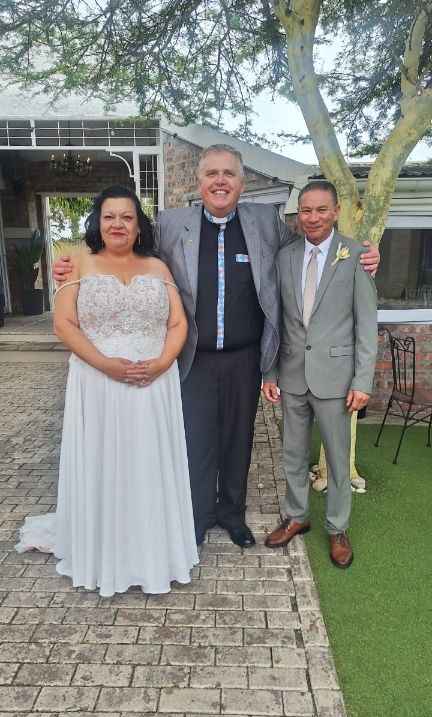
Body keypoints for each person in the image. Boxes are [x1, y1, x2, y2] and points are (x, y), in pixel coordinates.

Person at [53, 145, 380, 549]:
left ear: (241, 183)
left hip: (245, 358)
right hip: (194, 356)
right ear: (199, 181)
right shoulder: (172, 224)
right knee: (197, 441)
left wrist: (365, 253)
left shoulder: (266, 222)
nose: (220, 181)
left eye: (229, 174)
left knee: (238, 441)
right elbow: (125, 250)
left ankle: (232, 515)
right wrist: (76, 261)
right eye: (212, 174)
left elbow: (314, 246)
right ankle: (198, 515)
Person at [16, 185, 198, 596]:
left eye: (127, 217)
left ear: (139, 226)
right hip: (97, 383)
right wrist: (105, 364)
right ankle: (104, 552)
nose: (118, 224)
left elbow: (178, 324)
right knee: (104, 461)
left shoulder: (159, 267)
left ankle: (153, 549)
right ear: (98, 223)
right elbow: (64, 324)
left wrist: (163, 362)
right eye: (110, 216)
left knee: (148, 463)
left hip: (154, 384)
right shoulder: (79, 263)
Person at [263, 180, 378, 568]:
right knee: (293, 454)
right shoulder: (285, 257)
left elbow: (366, 325)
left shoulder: (357, 255)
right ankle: (297, 516)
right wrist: (271, 371)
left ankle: (337, 527)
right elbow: (276, 320)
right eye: (306, 210)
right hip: (292, 374)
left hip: (337, 379)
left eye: (321, 210)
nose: (312, 218)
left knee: (338, 459)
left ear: (335, 211)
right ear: (299, 214)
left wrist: (363, 381)